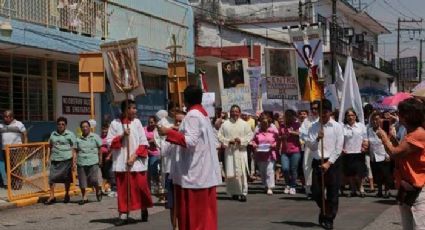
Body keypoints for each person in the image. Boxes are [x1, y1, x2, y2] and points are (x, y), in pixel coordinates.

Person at [159, 85, 222, 230]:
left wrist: (168, 132)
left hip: (194, 174)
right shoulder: (202, 114)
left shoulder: (193, 115)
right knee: (203, 217)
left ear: (186, 100)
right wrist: (176, 130)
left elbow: (190, 141)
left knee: (195, 219)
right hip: (201, 172)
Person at [377, 98, 425, 230]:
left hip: (418, 189)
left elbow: (394, 153)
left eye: (399, 113)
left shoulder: (418, 134)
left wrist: (384, 137)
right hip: (408, 187)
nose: (397, 116)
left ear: (407, 116)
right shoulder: (411, 133)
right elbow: (402, 153)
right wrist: (391, 137)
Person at [106, 99, 152, 226]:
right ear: (125, 110)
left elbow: (143, 142)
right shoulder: (115, 124)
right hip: (121, 163)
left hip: (136, 162)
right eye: (132, 108)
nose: (135, 110)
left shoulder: (137, 123)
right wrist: (122, 136)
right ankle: (123, 214)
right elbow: (109, 142)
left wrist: (134, 156)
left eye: (135, 108)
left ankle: (143, 207)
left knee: (141, 187)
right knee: (123, 190)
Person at [305, 99, 344, 229]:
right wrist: (317, 138)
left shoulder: (337, 127)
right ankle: (325, 209)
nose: (322, 115)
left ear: (330, 112)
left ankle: (329, 218)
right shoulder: (313, 127)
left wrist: (329, 163)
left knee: (333, 192)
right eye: (320, 112)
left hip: (332, 163)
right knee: (316, 192)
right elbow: (311, 146)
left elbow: (338, 148)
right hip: (318, 161)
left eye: (325, 112)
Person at [218, 104, 253, 202]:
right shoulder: (225, 124)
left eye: (236, 111)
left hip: (241, 151)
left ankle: (243, 192)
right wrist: (228, 141)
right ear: (230, 112)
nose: (234, 113)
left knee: (241, 172)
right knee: (231, 173)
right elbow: (219, 136)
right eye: (233, 111)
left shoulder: (244, 124)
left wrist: (241, 140)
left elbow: (250, 135)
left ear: (240, 112)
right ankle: (233, 192)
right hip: (230, 152)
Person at [45, 117, 76, 205]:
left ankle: (67, 194)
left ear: (65, 125)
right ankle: (51, 196)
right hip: (55, 159)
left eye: (63, 124)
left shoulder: (70, 134)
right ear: (57, 125)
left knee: (66, 179)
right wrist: (47, 158)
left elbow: (74, 149)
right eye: (59, 124)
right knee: (51, 178)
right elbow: (49, 146)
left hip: (66, 160)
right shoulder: (53, 134)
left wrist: (74, 162)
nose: (61, 126)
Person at [341, 109, 368, 198]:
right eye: (348, 115)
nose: (350, 117)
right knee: (350, 173)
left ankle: (361, 188)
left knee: (359, 173)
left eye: (352, 115)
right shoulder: (343, 127)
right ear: (346, 117)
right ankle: (352, 189)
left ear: (355, 116)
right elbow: (340, 140)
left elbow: (365, 138)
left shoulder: (361, 126)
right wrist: (341, 148)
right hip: (348, 153)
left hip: (359, 152)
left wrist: (365, 145)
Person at [75, 120, 102, 205]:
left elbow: (100, 148)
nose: (85, 128)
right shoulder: (78, 139)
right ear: (81, 128)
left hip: (93, 161)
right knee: (82, 180)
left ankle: (98, 189)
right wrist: (74, 162)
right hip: (81, 162)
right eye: (83, 127)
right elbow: (75, 151)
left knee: (94, 179)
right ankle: (84, 197)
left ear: (89, 128)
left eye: (86, 126)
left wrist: (100, 159)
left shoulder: (95, 137)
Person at [367, 111, 392, 198]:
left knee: (386, 175)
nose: (375, 121)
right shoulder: (369, 130)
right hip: (373, 156)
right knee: (377, 175)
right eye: (373, 120)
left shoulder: (385, 129)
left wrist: (387, 155)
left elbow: (388, 142)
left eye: (377, 119)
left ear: (380, 120)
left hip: (383, 155)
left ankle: (387, 191)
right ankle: (380, 191)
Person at [0, 110, 27, 188]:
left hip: (16, 149)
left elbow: (25, 135)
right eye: (4, 117)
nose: (5, 118)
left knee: (16, 166)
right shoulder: (1, 125)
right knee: (7, 167)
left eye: (6, 117)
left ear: (11, 117)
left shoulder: (19, 124)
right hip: (5, 149)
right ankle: (12, 183)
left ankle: (18, 184)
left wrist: (25, 146)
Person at [251, 116, 278, 195]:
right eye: (263, 123)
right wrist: (255, 145)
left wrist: (273, 145)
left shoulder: (273, 132)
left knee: (269, 171)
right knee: (262, 171)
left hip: (270, 154)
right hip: (260, 154)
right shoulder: (257, 132)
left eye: (266, 123)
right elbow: (253, 141)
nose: (264, 124)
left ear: (269, 123)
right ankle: (265, 185)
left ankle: (270, 187)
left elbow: (277, 141)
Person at [300, 101, 320, 199]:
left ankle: (320, 190)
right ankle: (309, 190)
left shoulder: (322, 119)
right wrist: (308, 141)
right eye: (312, 108)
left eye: (316, 108)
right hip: (309, 147)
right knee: (307, 167)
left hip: (321, 147)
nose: (314, 110)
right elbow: (302, 133)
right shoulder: (307, 120)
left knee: (320, 168)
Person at [280, 109, 302, 195]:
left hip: (295, 150)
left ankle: (293, 186)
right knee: (285, 169)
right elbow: (279, 137)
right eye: (287, 116)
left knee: (293, 169)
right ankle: (287, 184)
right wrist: (282, 137)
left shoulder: (297, 125)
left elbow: (300, 134)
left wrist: (291, 132)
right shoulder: (282, 126)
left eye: (290, 116)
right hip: (284, 150)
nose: (288, 118)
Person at [144, 116, 161, 194]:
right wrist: (150, 141)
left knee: (153, 168)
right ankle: (148, 188)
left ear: (155, 122)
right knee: (147, 171)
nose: (150, 124)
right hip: (146, 152)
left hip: (155, 153)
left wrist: (152, 141)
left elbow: (158, 139)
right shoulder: (145, 129)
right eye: (149, 122)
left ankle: (156, 184)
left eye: (152, 122)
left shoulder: (157, 130)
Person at [100, 123, 116, 197]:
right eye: (103, 130)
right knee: (104, 173)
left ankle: (113, 188)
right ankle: (105, 187)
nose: (104, 132)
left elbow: (113, 148)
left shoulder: (110, 138)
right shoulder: (100, 137)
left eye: (105, 131)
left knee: (110, 173)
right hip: (101, 157)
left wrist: (109, 156)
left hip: (109, 157)